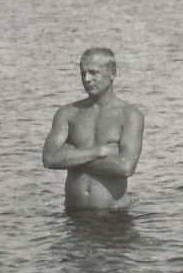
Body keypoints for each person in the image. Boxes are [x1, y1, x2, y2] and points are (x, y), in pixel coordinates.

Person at [41, 47, 146, 211]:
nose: (87, 79)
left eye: (93, 72)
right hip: (73, 215)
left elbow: (126, 167)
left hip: (114, 216)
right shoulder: (68, 113)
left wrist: (72, 157)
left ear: (112, 73)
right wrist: (99, 151)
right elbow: (49, 159)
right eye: (82, 73)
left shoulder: (129, 115)